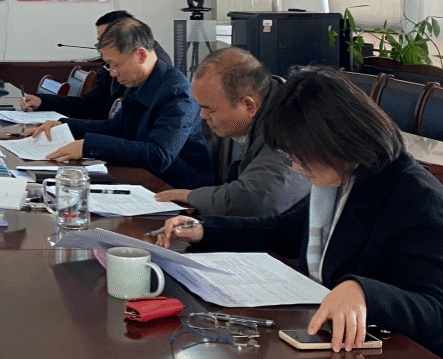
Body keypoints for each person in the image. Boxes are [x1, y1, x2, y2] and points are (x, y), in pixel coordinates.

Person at [156, 67, 443, 355]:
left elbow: (435, 312)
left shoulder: (418, 199)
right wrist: (206, 229)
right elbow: (288, 230)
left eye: (300, 155)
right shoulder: (346, 176)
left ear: (337, 138)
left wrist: (364, 292)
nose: (295, 166)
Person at [29, 18, 214, 189]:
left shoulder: (177, 93)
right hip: (143, 177)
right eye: (109, 65)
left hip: (176, 187)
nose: (112, 73)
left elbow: (159, 155)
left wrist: (89, 146)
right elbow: (117, 128)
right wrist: (65, 126)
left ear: (140, 55)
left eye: (115, 65)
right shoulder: (139, 81)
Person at [154, 48, 309, 216]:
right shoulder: (249, 107)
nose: (202, 115)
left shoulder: (292, 125)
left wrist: (191, 197)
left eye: (210, 109)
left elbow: (255, 199)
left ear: (248, 105)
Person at [21, 10, 172, 120]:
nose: (113, 72)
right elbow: (91, 105)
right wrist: (42, 102)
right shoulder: (117, 62)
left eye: (105, 40)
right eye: (100, 41)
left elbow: (146, 143)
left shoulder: (151, 72)